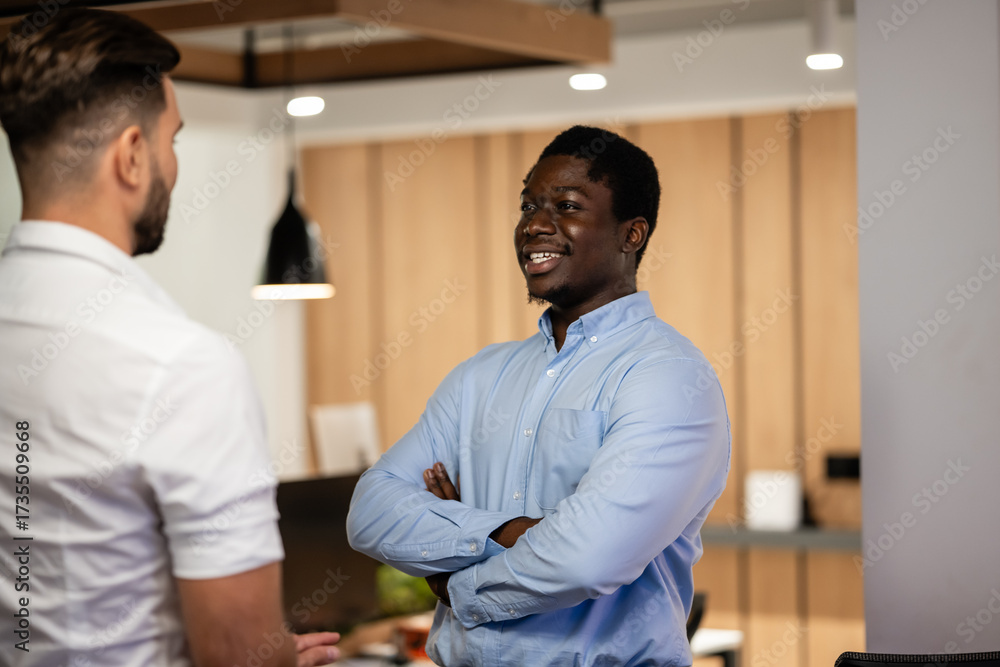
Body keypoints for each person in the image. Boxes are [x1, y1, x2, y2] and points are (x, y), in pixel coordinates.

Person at [0, 9, 339, 666]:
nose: (172, 165)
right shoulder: (183, 364)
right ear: (131, 156)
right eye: (171, 142)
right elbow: (238, 655)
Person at [347, 125, 731, 665]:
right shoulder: (479, 376)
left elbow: (586, 559)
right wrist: (504, 529)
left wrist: (456, 580)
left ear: (632, 234)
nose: (535, 225)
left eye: (566, 205)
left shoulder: (668, 378)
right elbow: (370, 512)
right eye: (528, 205)